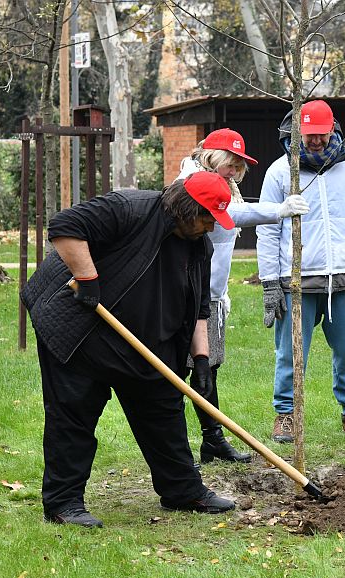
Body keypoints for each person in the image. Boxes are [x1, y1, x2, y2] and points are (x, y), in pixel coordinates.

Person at [21, 171, 238, 527]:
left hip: (146, 342)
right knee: (74, 412)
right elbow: (64, 227)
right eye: (207, 218)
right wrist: (89, 280)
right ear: (186, 209)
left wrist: (201, 358)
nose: (211, 227)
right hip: (82, 332)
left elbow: (199, 306)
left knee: (163, 409)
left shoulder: (200, 245)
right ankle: (64, 503)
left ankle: (182, 491)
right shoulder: (129, 208)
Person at [175, 128, 310, 464]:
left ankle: (212, 440)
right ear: (211, 157)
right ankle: (179, 448)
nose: (234, 172)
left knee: (209, 369)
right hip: (185, 295)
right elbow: (232, 216)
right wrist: (277, 210)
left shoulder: (224, 185)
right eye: (230, 164)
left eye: (238, 167)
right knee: (182, 371)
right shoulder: (192, 183)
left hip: (211, 296)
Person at [256, 99, 345, 442]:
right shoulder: (280, 172)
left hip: (343, 276)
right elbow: (267, 228)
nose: (315, 141)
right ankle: (286, 415)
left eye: (321, 135)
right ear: (297, 132)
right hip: (294, 280)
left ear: (333, 131)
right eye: (309, 135)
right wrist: (270, 283)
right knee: (290, 353)